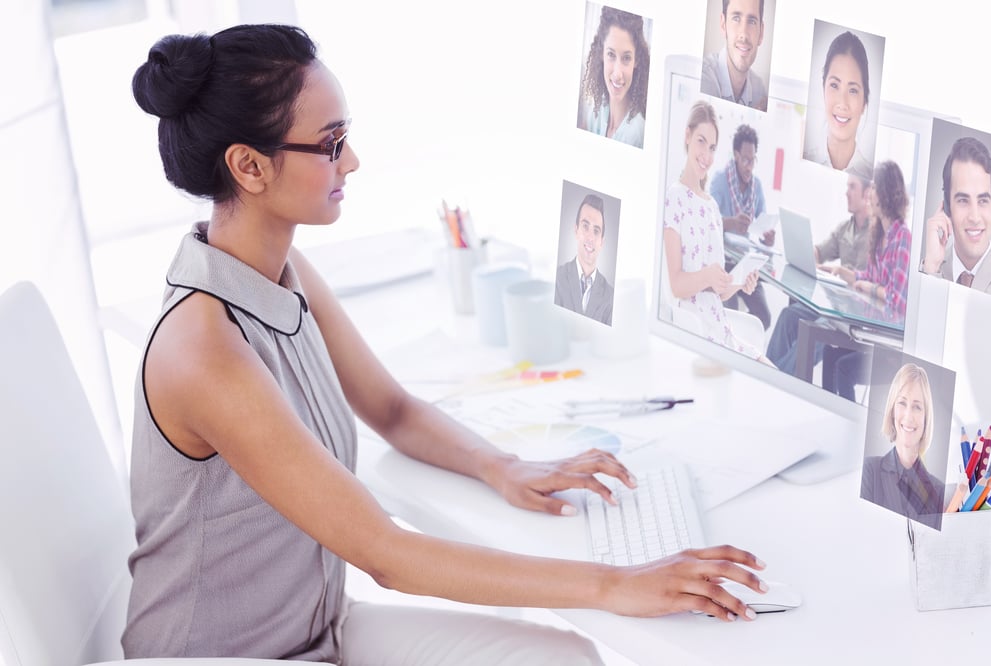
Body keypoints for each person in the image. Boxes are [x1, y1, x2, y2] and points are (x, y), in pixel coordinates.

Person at [124, 24, 767, 663]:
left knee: (565, 658)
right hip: (218, 657)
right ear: (249, 166)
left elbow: (393, 410)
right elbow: (387, 555)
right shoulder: (202, 350)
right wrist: (617, 584)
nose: (352, 161)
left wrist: (504, 466)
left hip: (319, 631)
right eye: (332, 144)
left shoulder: (282, 274)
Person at [662, 99, 771, 364]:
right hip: (696, 331)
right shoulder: (674, 198)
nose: (706, 155)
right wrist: (708, 275)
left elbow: (719, 292)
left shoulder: (711, 207)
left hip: (722, 332)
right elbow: (677, 285)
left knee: (772, 372)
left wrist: (740, 282)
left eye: (712, 147)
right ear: (687, 136)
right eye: (701, 141)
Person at [822, 160, 911, 401]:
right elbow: (867, 278)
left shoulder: (902, 237)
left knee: (843, 368)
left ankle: (846, 427)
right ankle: (830, 417)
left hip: (889, 348)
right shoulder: (880, 234)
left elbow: (897, 300)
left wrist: (869, 287)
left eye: (874, 189)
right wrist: (843, 273)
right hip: (872, 334)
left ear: (885, 193)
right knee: (829, 353)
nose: (869, 195)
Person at [765, 174, 872, 374]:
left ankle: (772, 380)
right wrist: (807, 253)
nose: (846, 192)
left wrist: (842, 272)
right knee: (788, 316)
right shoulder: (844, 229)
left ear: (867, 193)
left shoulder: (877, 234)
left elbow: (876, 280)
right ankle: (767, 373)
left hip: (853, 316)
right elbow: (819, 251)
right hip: (833, 305)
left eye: (852, 187)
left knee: (810, 332)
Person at [860, 363, 945, 525]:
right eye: (902, 403)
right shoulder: (870, 470)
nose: (908, 415)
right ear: (892, 409)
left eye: (917, 407)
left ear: (926, 418)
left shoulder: (938, 491)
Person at [709, 123, 775, 329]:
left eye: (752, 160)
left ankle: (742, 342)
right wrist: (731, 222)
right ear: (736, 155)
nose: (749, 166)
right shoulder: (720, 181)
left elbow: (762, 223)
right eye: (745, 159)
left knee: (764, 318)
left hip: (746, 263)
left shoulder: (757, 186)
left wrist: (767, 237)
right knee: (727, 314)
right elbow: (708, 223)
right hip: (724, 262)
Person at [921, 136, 991, 297]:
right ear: (947, 207)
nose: (975, 217)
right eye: (963, 200)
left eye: (983, 200)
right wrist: (931, 269)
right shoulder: (929, 269)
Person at [803, 30, 874, 181]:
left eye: (853, 90)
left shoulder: (872, 179)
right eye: (834, 85)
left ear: (864, 103)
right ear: (823, 90)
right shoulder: (802, 160)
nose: (843, 103)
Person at [578, 5, 650, 148]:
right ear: (601, 54)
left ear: (636, 60)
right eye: (611, 54)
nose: (617, 74)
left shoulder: (637, 134)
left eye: (626, 58)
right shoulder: (596, 112)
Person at [554, 193, 615, 324]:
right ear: (576, 230)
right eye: (585, 226)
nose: (590, 237)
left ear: (601, 242)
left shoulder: (611, 297)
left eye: (596, 231)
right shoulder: (557, 278)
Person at [700, 0, 769, 111]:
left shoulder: (760, 90)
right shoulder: (702, 78)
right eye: (736, 18)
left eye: (751, 21)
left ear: (761, 33)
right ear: (723, 25)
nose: (744, 34)